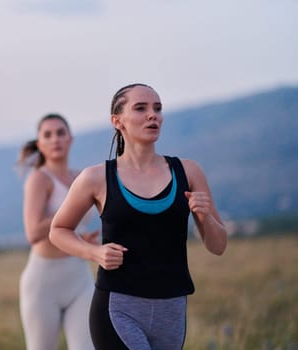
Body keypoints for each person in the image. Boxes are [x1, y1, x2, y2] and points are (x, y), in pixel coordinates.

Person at [49, 84, 228, 349]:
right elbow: (58, 230)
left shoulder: (188, 172)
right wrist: (94, 253)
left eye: (157, 109)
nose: (152, 115)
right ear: (117, 120)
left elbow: (218, 246)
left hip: (173, 309)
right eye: (141, 108)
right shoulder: (96, 178)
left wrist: (205, 218)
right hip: (118, 307)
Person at [16, 113, 99, 350]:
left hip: (80, 278)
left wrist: (82, 239)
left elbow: (71, 229)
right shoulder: (39, 179)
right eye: (48, 135)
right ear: (40, 144)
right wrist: (69, 212)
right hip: (43, 284)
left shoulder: (81, 178)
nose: (55, 140)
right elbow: (33, 232)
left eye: (61, 133)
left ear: (70, 139)